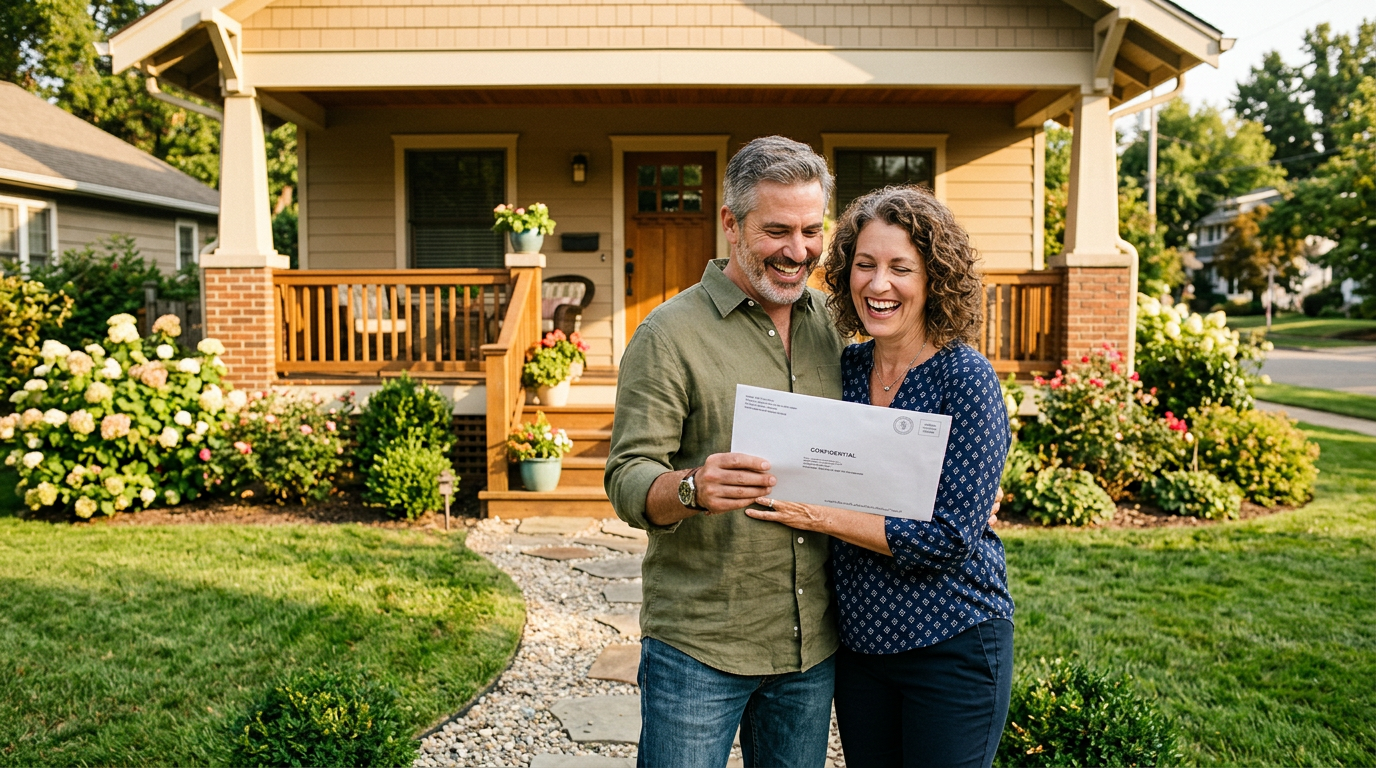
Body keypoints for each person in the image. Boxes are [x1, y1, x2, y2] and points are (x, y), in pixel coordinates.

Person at [748, 184, 1014, 768]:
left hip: (952, 643)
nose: (878, 284)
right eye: (864, 265)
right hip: (861, 650)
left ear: (934, 279)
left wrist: (815, 513)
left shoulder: (963, 378)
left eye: (901, 268)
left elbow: (947, 539)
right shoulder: (843, 371)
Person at [604, 135, 842, 768]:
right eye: (777, 231)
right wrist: (691, 488)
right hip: (699, 646)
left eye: (812, 230)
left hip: (810, 645)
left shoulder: (835, 326)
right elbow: (627, 478)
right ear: (731, 225)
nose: (799, 251)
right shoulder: (668, 335)